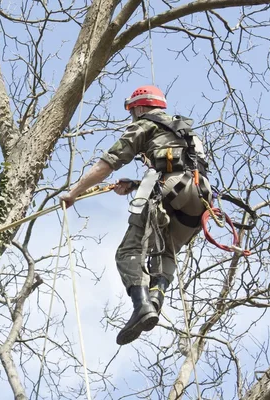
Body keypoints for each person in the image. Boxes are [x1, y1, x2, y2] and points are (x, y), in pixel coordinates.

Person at [59, 85, 211, 345]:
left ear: (139, 107)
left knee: (128, 252)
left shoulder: (144, 125)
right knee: (166, 252)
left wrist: (73, 193)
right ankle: (155, 297)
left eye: (132, 111)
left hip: (171, 190)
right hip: (201, 198)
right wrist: (133, 184)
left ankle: (141, 306)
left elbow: (105, 165)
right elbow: (176, 166)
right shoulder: (185, 131)